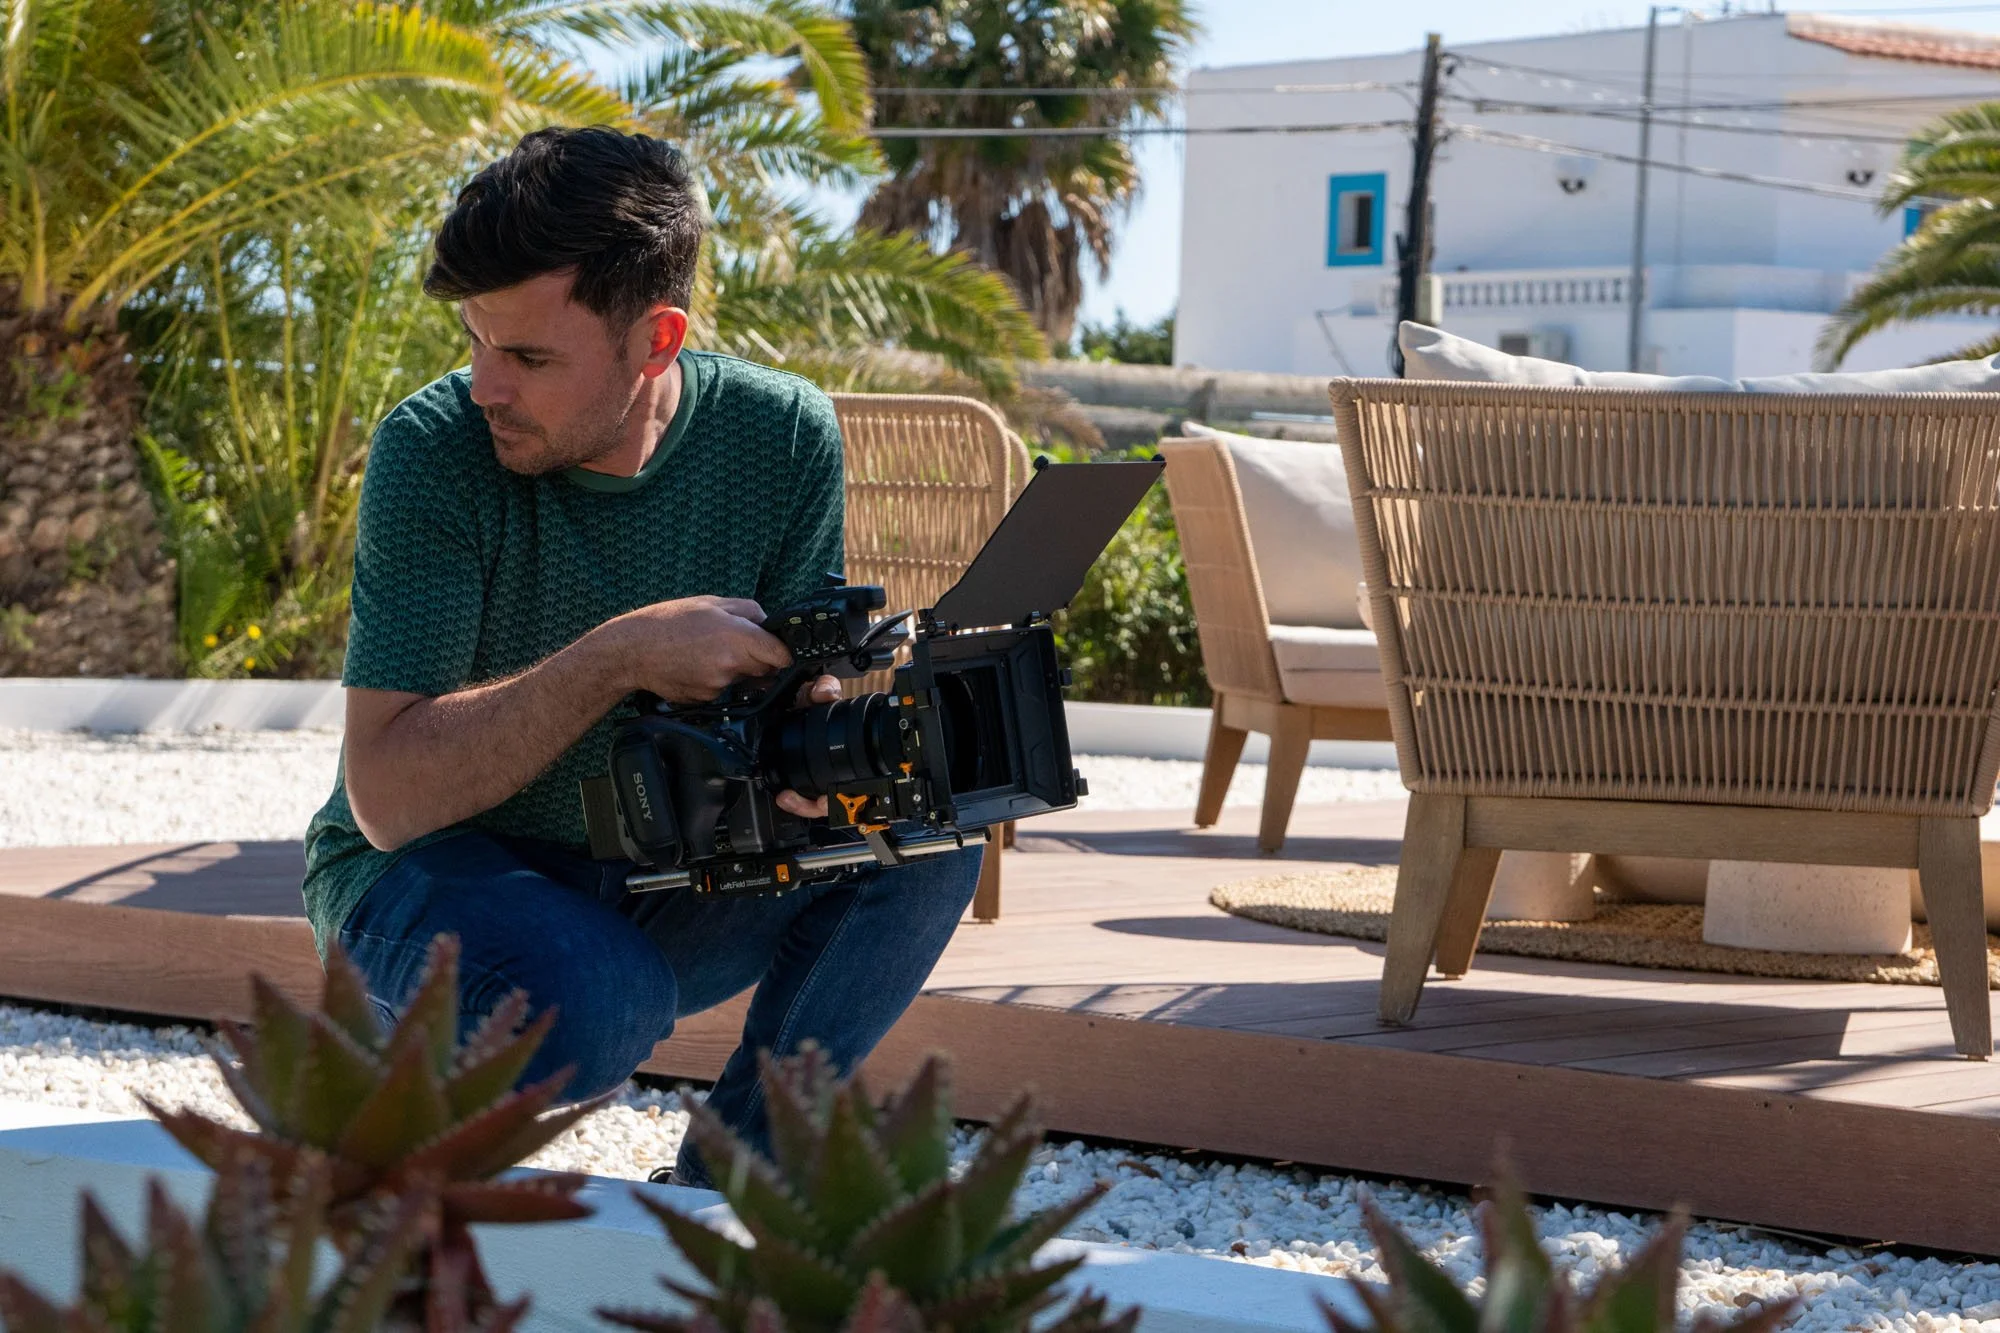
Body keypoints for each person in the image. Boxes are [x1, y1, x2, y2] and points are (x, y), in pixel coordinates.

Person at [301, 125, 981, 1187]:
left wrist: (809, 745)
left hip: (658, 876)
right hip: (429, 880)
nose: (485, 385)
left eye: (526, 356)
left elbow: (793, 688)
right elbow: (387, 798)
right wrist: (621, 655)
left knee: (931, 828)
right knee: (594, 996)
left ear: (655, 340)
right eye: (474, 340)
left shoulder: (782, 436)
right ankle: (393, 1090)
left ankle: (733, 1192)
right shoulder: (431, 453)